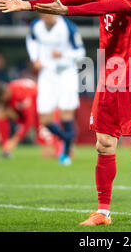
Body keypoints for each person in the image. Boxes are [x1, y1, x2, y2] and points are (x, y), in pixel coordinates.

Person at [0, 0, 131, 227]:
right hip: (109, 75)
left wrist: (67, 11)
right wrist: (29, 5)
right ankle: (103, 213)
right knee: (104, 143)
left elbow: (106, 7)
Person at [26, 13, 86, 166]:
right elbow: (31, 40)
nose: (46, 17)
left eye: (49, 13)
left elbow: (80, 52)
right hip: (47, 73)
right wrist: (35, 59)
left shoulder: (68, 27)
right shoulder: (36, 26)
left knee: (66, 113)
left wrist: (63, 54)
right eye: (43, 14)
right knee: (44, 118)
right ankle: (66, 139)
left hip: (66, 73)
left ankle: (65, 154)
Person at [0, 78, 62, 158]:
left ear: (4, 94)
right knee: (0, 111)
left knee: (49, 155)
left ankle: (65, 147)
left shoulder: (21, 94)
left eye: (0, 100)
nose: (0, 102)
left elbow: (29, 120)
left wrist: (15, 140)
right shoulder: (9, 94)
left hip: (43, 114)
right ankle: (6, 151)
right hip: (29, 113)